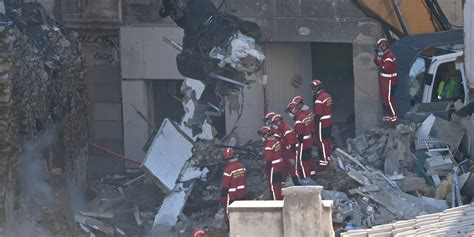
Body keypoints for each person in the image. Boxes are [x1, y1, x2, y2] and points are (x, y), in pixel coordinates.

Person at [285, 97, 316, 179]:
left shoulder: (298, 121)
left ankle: (307, 179)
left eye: (289, 112)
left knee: (303, 162)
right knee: (309, 159)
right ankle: (312, 174)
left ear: (294, 110)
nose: (289, 114)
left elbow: (300, 135)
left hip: (304, 144)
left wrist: (295, 146)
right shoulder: (304, 116)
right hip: (309, 141)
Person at [373, 38, 398, 124]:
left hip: (390, 80)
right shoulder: (383, 54)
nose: (379, 48)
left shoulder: (389, 56)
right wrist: (377, 54)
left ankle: (393, 117)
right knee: (384, 99)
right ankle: (389, 116)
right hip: (384, 80)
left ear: (384, 46)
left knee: (388, 99)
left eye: (380, 47)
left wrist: (380, 60)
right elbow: (376, 62)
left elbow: (385, 68)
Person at [311, 80, 334, 170]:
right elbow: (331, 107)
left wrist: (312, 124)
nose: (312, 90)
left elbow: (318, 115)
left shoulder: (319, 99)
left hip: (322, 124)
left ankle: (324, 164)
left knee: (321, 144)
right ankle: (328, 159)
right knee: (327, 142)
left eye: (313, 88)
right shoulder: (327, 96)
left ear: (316, 88)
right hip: (329, 122)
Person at [272, 113, 300, 185]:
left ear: (279, 122)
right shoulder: (281, 129)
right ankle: (282, 183)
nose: (275, 125)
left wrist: (291, 157)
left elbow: (292, 144)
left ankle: (297, 183)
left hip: (292, 151)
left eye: (275, 123)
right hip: (286, 151)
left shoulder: (286, 130)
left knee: (292, 168)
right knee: (285, 167)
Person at [220, 148, 247, 222]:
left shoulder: (228, 170)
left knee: (229, 215)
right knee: (241, 213)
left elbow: (225, 187)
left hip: (231, 197)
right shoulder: (242, 167)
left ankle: (230, 230)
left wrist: (222, 199)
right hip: (242, 194)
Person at [258, 126, 284, 200]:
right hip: (279, 166)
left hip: (273, 169)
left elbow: (268, 161)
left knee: (274, 187)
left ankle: (276, 204)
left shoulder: (269, 146)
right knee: (278, 186)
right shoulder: (276, 141)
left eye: (262, 135)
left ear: (266, 135)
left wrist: (265, 170)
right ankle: (280, 200)